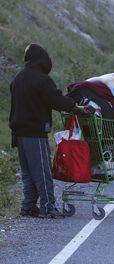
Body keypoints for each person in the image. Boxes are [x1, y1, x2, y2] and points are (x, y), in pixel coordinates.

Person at [9, 43, 87, 218]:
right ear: (42, 61)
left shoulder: (18, 78)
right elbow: (55, 100)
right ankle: (48, 206)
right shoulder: (41, 80)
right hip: (34, 133)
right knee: (42, 171)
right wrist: (75, 108)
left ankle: (28, 206)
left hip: (19, 133)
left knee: (28, 173)